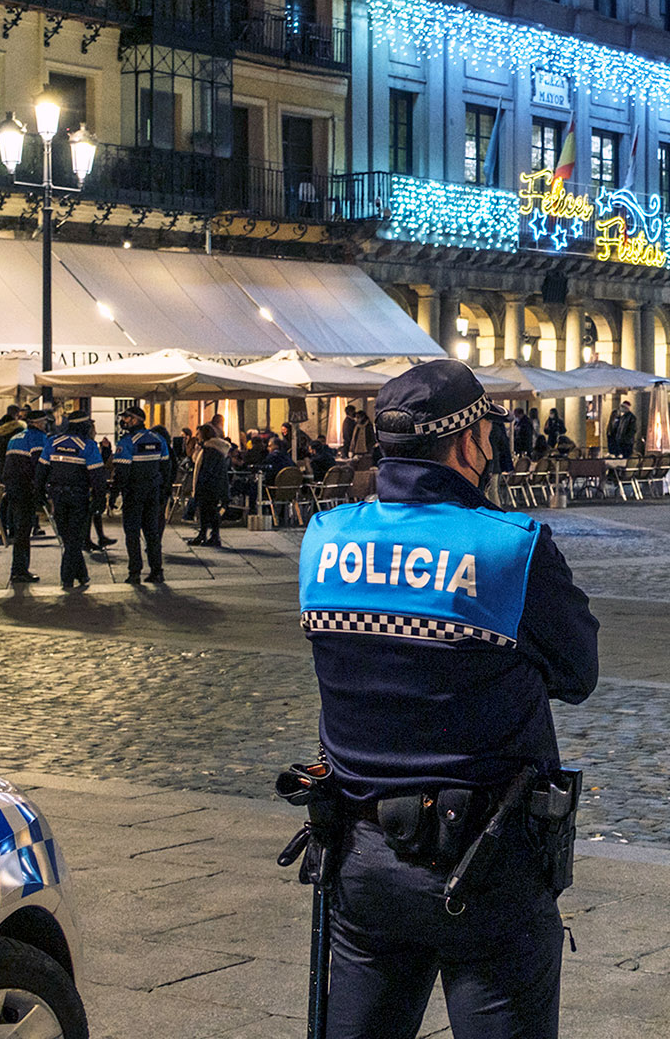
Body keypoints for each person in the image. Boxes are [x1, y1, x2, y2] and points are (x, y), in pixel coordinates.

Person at [297, 359, 598, 1039]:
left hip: (363, 853)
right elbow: (579, 673)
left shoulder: (325, 539)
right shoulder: (508, 549)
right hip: (488, 861)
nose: (493, 447)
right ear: (466, 443)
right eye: (489, 433)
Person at [39, 413, 101, 591]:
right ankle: (67, 578)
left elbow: (42, 469)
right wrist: (99, 498)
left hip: (57, 497)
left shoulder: (53, 442)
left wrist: (39, 492)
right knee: (74, 539)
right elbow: (97, 475)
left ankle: (82, 574)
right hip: (79, 497)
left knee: (68, 537)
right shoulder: (88, 446)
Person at [114, 407, 172, 584]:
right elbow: (166, 468)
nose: (123, 421)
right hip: (153, 492)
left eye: (126, 418)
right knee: (152, 533)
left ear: (135, 419)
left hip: (133, 493)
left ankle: (134, 572)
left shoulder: (127, 442)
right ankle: (157, 570)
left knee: (132, 534)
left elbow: (121, 472)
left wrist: (114, 494)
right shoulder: (159, 439)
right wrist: (164, 491)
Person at [2, 410, 48, 584]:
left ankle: (19, 569)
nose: (45, 425)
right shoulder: (37, 438)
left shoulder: (15, 438)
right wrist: (41, 490)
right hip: (26, 489)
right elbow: (39, 466)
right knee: (24, 531)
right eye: (44, 422)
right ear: (37, 423)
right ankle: (20, 570)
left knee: (19, 529)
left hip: (13, 488)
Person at [191, 423, 232, 546]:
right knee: (208, 512)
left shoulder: (210, 450)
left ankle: (213, 536)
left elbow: (207, 470)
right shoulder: (212, 449)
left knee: (209, 512)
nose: (196, 436)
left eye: (198, 434)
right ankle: (206, 535)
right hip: (215, 486)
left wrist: (200, 486)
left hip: (210, 487)